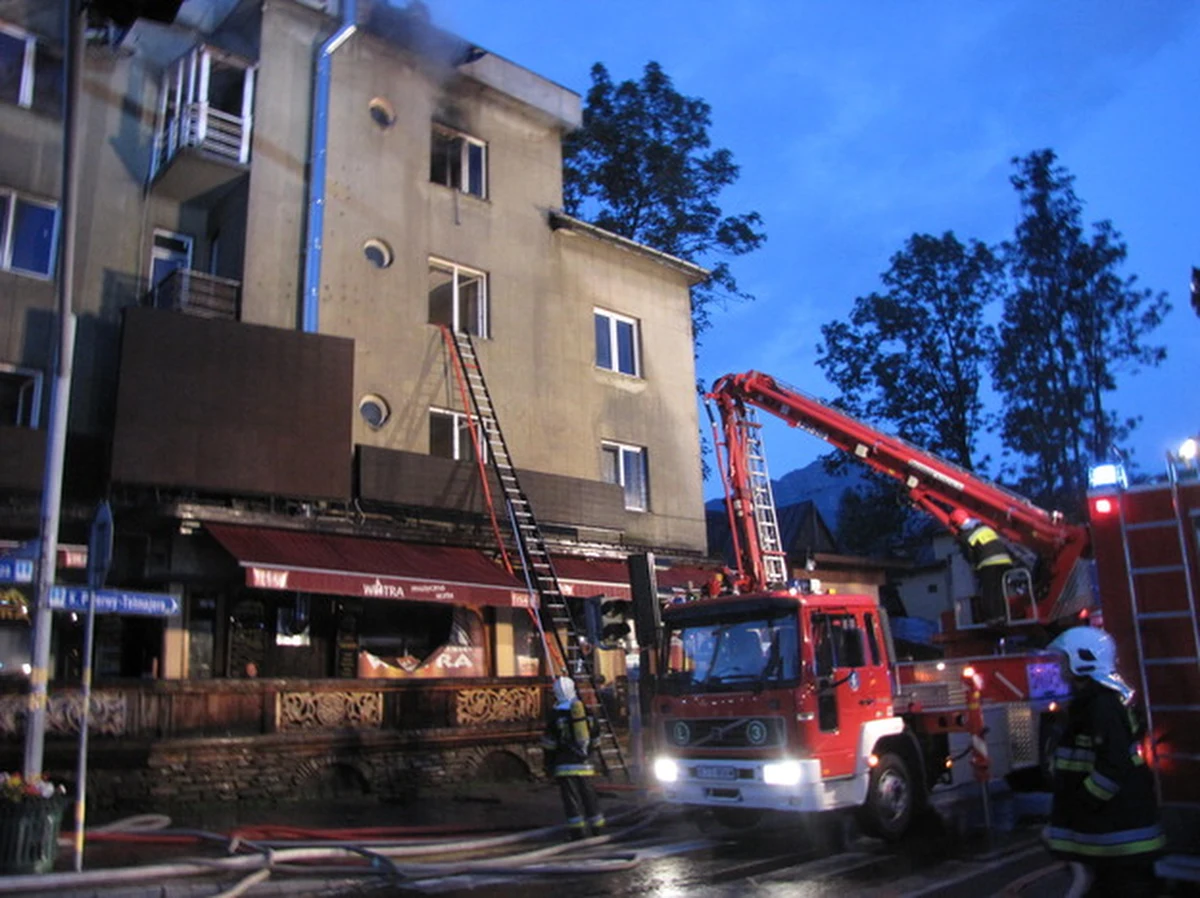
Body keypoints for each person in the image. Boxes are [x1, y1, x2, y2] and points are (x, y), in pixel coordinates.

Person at [1044, 626, 1164, 897]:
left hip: (1117, 833)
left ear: (1082, 661)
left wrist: (1083, 803)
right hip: (1112, 834)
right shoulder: (1093, 704)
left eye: (1063, 660)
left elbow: (1112, 767)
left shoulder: (1101, 707)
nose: (1059, 667)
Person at [541, 676, 605, 840]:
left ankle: (578, 832)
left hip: (564, 765)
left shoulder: (555, 715)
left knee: (571, 799)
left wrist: (548, 765)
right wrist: (589, 753)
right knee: (589, 795)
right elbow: (596, 738)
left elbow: (549, 744)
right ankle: (597, 828)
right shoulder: (586, 712)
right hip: (585, 764)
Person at [950, 510, 1015, 625]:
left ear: (957, 524)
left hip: (989, 563)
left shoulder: (965, 536)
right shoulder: (985, 528)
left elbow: (969, 556)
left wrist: (974, 567)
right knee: (1000, 590)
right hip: (1005, 561)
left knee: (989, 592)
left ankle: (993, 618)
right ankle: (1004, 615)